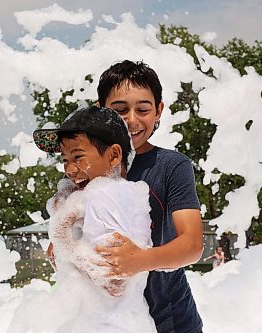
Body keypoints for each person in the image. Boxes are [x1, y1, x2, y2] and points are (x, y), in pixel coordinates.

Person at [93, 60, 204, 333]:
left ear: (158, 111)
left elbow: (192, 245)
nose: (132, 120)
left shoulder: (172, 166)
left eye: (143, 109)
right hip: (108, 321)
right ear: (99, 112)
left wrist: (138, 260)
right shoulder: (88, 167)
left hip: (170, 319)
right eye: (119, 110)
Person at [31, 105, 156, 332]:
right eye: (64, 160)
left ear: (114, 156)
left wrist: (62, 233)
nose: (69, 169)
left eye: (78, 157)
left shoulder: (104, 196)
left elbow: (115, 282)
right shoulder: (112, 195)